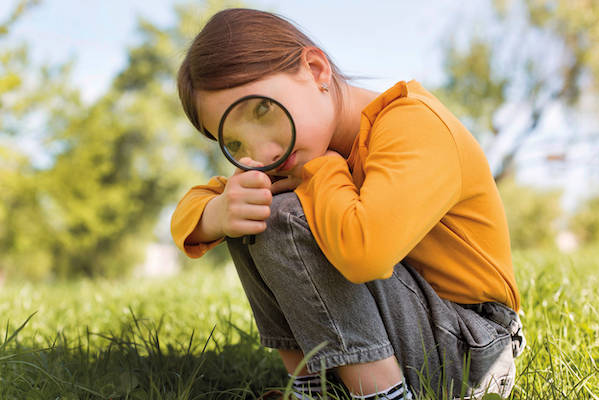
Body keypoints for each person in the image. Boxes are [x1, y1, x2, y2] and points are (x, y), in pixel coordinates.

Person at [170, 7, 525, 400]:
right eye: (235, 143)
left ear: (316, 70)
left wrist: (323, 170)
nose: (262, 150)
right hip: (413, 331)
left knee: (279, 214)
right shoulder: (294, 153)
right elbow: (193, 205)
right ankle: (314, 389)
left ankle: (381, 395)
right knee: (247, 207)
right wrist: (218, 214)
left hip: (470, 345)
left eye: (263, 110)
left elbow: (365, 254)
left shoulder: (413, 125)